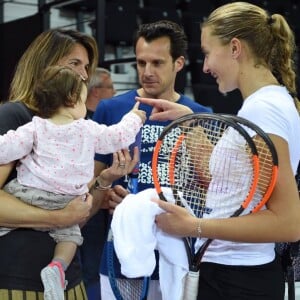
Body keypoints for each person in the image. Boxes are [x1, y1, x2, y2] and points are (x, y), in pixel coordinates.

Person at [137, 2, 300, 299]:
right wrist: (188, 119)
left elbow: (288, 223)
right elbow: (228, 181)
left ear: (235, 48)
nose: (206, 67)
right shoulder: (267, 103)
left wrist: (193, 226)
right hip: (233, 275)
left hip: (237, 280)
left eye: (208, 53)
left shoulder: (264, 109)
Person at [0, 65, 146, 299]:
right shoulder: (87, 129)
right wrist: (134, 117)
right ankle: (57, 267)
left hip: (27, 194)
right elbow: (118, 136)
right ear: (72, 99)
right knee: (70, 237)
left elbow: (5, 148)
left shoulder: (35, 127)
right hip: (66, 202)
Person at [92, 20, 212, 299]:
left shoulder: (199, 113)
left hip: (180, 257)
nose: (147, 72)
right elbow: (90, 186)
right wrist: (105, 191)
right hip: (120, 258)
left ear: (178, 63)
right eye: (141, 62)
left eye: (157, 63)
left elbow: (210, 187)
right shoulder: (110, 109)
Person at [0, 28, 98, 300]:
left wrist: (104, 181)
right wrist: (57, 218)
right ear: (45, 67)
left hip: (67, 279)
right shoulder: (14, 115)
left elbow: (72, 207)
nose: (84, 75)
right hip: (17, 281)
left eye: (86, 67)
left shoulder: (76, 127)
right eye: (74, 64)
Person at [80, 66, 116, 299]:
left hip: (108, 207)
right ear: (96, 91)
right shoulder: (78, 124)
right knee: (89, 267)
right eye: (111, 87)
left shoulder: (108, 125)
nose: (114, 92)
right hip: (86, 206)